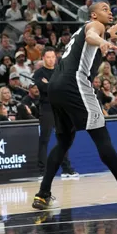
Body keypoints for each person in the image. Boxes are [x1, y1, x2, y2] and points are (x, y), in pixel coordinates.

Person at [32, 3, 117, 210]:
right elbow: (92, 35)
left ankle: (43, 194)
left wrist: (106, 38)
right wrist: (102, 38)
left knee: (64, 141)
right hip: (75, 84)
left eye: (110, 9)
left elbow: (91, 40)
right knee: (101, 136)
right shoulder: (94, 25)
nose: (109, 12)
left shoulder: (88, 33)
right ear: (93, 14)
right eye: (105, 8)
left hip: (56, 87)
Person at [34, 47, 78, 178]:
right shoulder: (39, 73)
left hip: (61, 107)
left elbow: (64, 87)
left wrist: (50, 85)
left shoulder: (61, 71)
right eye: (48, 57)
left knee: (64, 139)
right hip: (47, 108)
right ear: (43, 58)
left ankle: (66, 169)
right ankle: (42, 171)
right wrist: (55, 86)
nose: (51, 60)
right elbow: (44, 88)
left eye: (53, 57)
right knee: (45, 140)